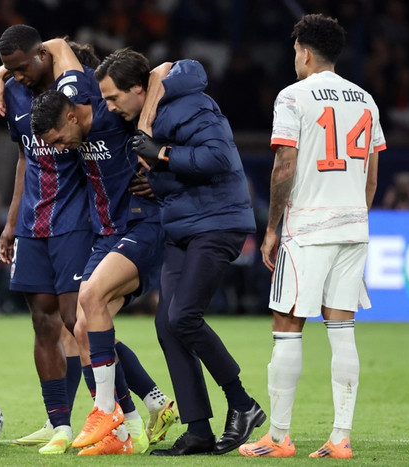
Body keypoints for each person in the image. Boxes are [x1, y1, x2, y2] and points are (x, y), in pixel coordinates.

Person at [0, 27, 177, 455]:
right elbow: (24, 157)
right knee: (58, 323)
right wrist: (11, 221)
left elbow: (158, 72)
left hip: (92, 224)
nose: (18, 76)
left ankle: (129, 413)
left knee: (83, 317)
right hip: (48, 224)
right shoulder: (19, 95)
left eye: (22, 68)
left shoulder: (89, 101)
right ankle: (73, 423)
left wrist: (148, 137)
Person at [97, 48, 264, 456]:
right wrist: (158, 180)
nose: (111, 107)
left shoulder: (189, 104)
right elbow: (180, 175)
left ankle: (242, 403)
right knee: (168, 324)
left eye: (114, 98)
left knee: (184, 317)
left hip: (218, 223)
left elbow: (218, 157)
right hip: (183, 225)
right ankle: (198, 430)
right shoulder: (148, 115)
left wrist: (161, 154)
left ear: (139, 89)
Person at [238, 14, 386, 459]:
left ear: (303, 51)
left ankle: (279, 437)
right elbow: (372, 177)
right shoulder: (366, 100)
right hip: (353, 226)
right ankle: (341, 438)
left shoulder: (293, 96)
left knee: (287, 326)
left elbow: (284, 165)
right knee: (342, 330)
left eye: (294, 51)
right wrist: (354, 218)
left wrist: (271, 229)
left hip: (308, 228)